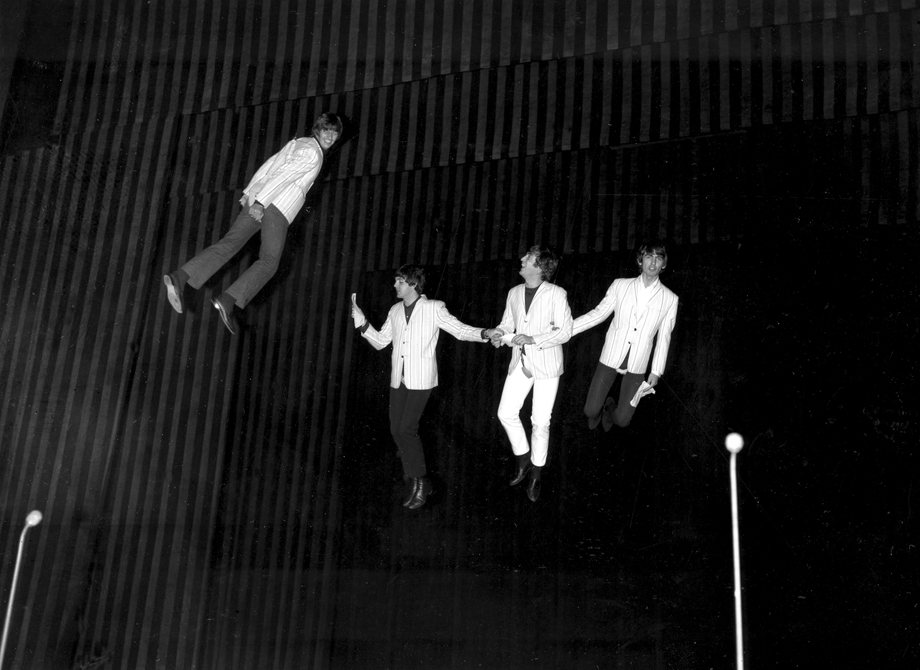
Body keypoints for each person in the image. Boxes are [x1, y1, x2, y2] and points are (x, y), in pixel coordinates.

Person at [163, 112, 344, 333]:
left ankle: (180, 277)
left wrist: (251, 192)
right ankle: (228, 300)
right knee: (269, 262)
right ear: (319, 129)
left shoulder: (299, 143)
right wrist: (259, 201)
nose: (331, 136)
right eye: (327, 130)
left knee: (229, 244)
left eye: (335, 133)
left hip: (261, 200)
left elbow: (270, 165)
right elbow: (283, 175)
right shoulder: (313, 153)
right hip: (276, 208)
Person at [351, 265, 490, 509]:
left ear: (414, 284)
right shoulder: (395, 310)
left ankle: (421, 482)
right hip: (399, 379)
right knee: (396, 429)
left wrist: (485, 333)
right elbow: (382, 341)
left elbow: (459, 330)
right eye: (396, 281)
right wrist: (362, 323)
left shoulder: (433, 308)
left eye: (400, 281)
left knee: (406, 429)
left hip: (420, 379)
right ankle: (414, 475)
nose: (395, 285)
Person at [489, 246, 573, 503]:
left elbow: (565, 331)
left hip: (547, 365)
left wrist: (534, 338)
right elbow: (506, 324)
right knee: (505, 413)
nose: (521, 259)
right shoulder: (514, 292)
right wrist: (499, 335)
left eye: (527, 258)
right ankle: (524, 457)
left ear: (539, 266)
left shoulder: (557, 293)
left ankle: (537, 472)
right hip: (521, 362)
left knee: (540, 421)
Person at [572, 240, 678, 432]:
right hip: (611, 357)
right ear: (640, 261)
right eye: (648, 257)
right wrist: (568, 329)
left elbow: (664, 337)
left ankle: (611, 409)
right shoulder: (620, 285)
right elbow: (598, 313)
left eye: (658, 258)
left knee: (622, 421)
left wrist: (656, 370)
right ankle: (598, 410)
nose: (653, 263)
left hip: (638, 364)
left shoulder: (670, 298)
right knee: (589, 410)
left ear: (663, 264)